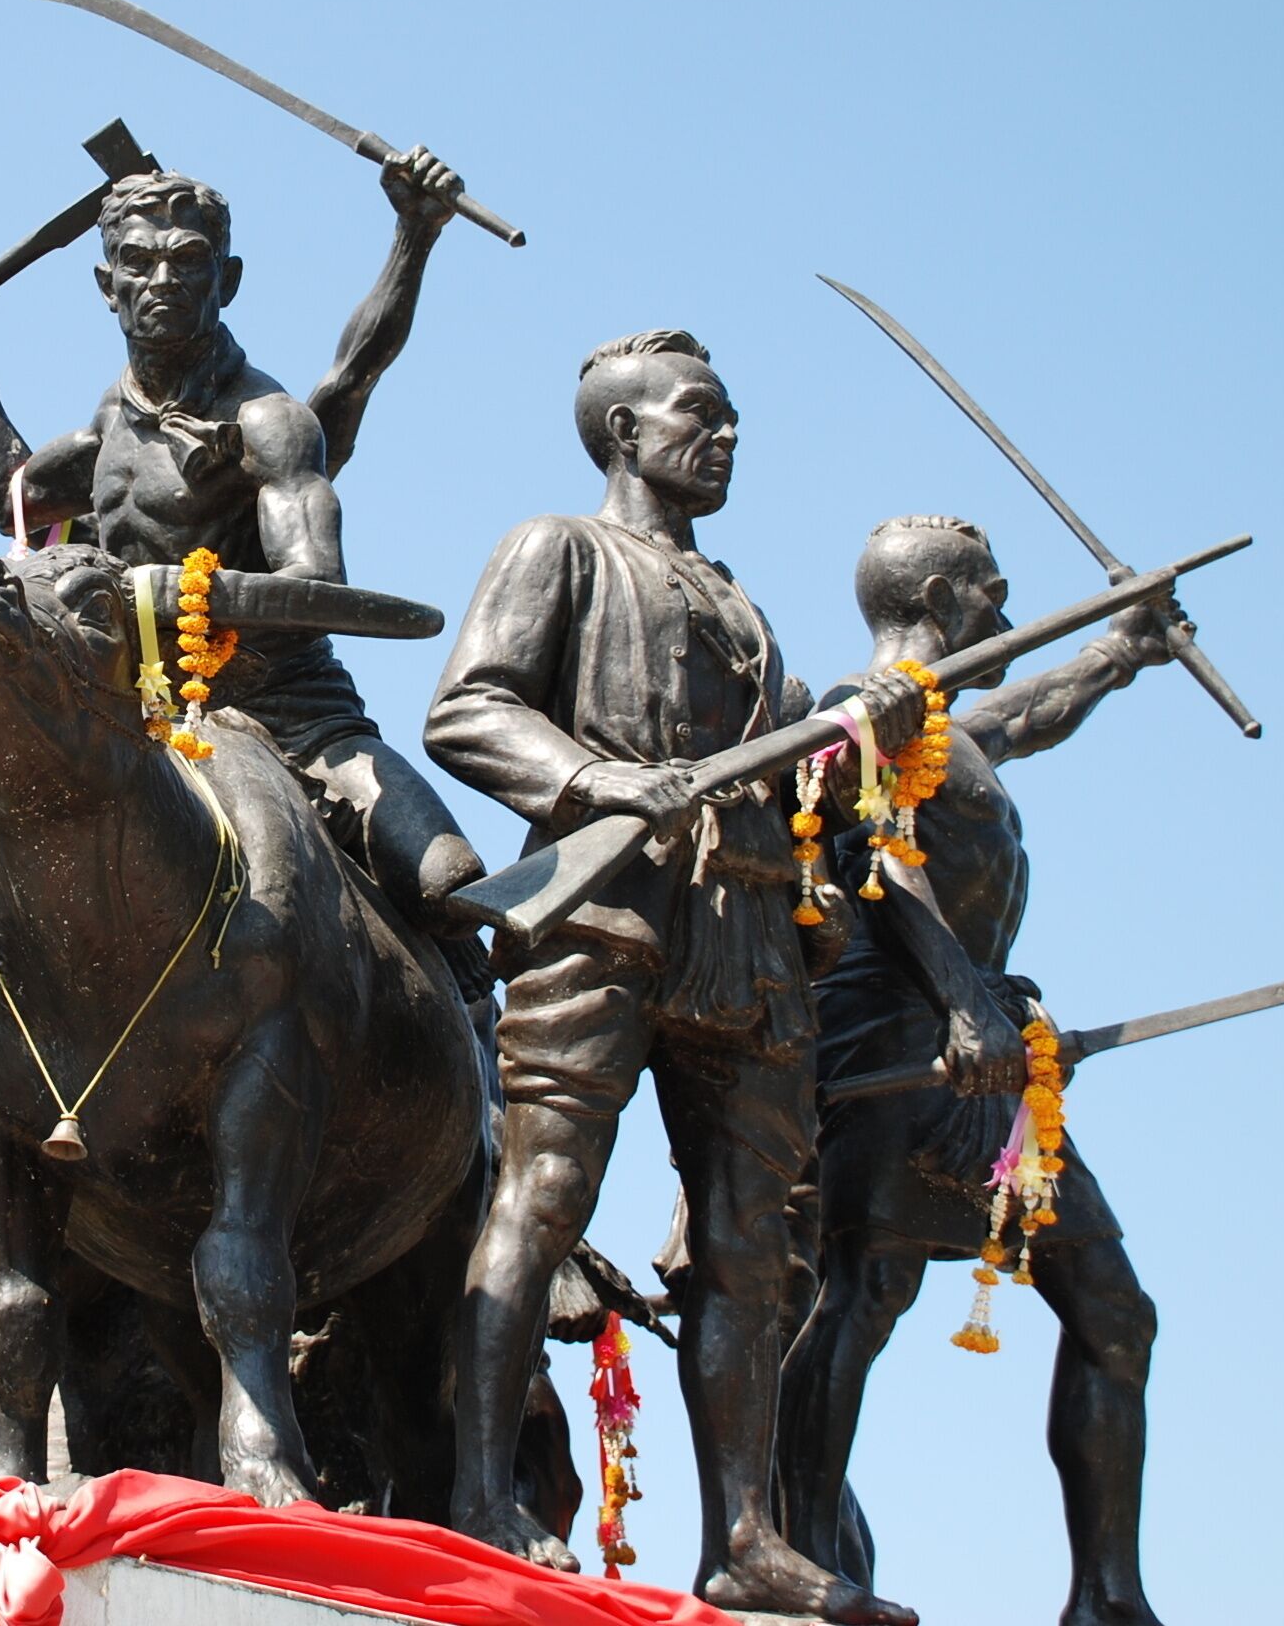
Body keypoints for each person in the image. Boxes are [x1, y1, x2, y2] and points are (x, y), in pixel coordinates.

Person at [423, 332, 950, 1620]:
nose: (724, 435)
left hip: (749, 933)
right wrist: (599, 780)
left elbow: (783, 781)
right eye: (698, 413)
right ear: (623, 432)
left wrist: (850, 749)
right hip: (603, 911)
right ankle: (481, 1495)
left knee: (748, 1250)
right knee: (543, 1197)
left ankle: (747, 1539)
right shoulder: (556, 548)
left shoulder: (746, 607)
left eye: (726, 416)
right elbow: (468, 710)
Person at [0, 156, 488, 966]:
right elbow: (8, 496)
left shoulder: (270, 423)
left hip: (288, 713)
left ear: (225, 280)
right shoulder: (106, 431)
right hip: (132, 714)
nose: (162, 278)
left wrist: (413, 235)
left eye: (188, 260)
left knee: (445, 878)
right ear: (107, 283)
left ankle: (472, 1024)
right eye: (139, 261)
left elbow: (316, 587)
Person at [777, 516, 1174, 1626]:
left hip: (987, 1053)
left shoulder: (954, 731)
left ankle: (1106, 1597)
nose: (1006, 622)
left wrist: (1116, 651)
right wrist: (960, 1002)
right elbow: (879, 862)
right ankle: (806, 1556)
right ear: (947, 598)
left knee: (1112, 1309)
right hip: (893, 1041)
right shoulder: (856, 713)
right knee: (865, 1287)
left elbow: (1020, 714)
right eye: (996, 601)